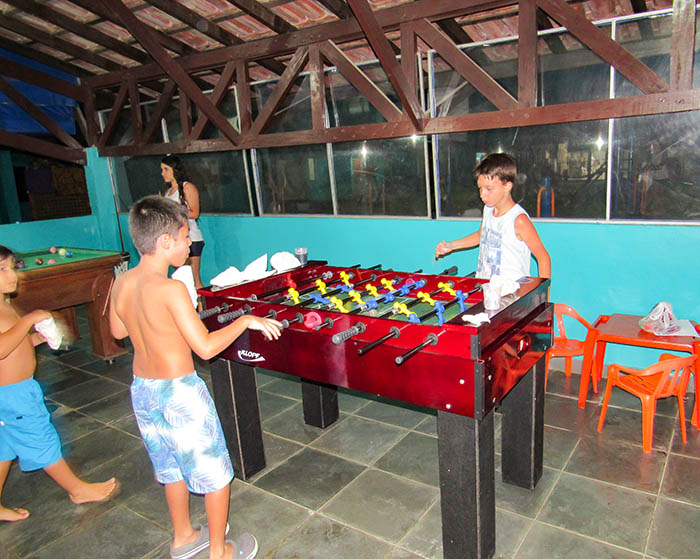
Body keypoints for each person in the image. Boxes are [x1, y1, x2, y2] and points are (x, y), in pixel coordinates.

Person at [109, 196, 282, 559]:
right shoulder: (171, 289)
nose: (190, 244)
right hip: (180, 395)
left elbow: (118, 331)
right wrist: (244, 321)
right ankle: (219, 552)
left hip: (143, 390)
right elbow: (204, 348)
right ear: (165, 242)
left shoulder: (121, 282)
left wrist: (157, 323)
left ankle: (184, 537)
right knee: (215, 474)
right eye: (185, 236)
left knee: (171, 467)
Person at [0, 245, 118, 522]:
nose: (11, 275)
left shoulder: (5, 305)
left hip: (12, 393)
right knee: (41, 438)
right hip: (14, 395)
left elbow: (14, 346)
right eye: (2, 270)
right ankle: (77, 489)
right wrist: (29, 320)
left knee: (4, 449)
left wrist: (35, 339)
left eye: (12, 267)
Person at [435, 153, 551, 280]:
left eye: (489, 189)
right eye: (480, 188)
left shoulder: (518, 220)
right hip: (487, 287)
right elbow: (481, 235)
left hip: (513, 290)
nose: (482, 194)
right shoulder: (488, 209)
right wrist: (451, 245)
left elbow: (543, 257)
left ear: (507, 186)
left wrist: (544, 291)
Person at [161, 154, 206, 291]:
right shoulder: (168, 192)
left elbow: (195, 213)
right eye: (162, 170)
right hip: (175, 239)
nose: (162, 173)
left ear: (175, 170)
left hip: (191, 238)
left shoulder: (187, 187)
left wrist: (174, 212)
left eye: (166, 169)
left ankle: (202, 304)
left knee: (194, 280)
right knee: (181, 280)